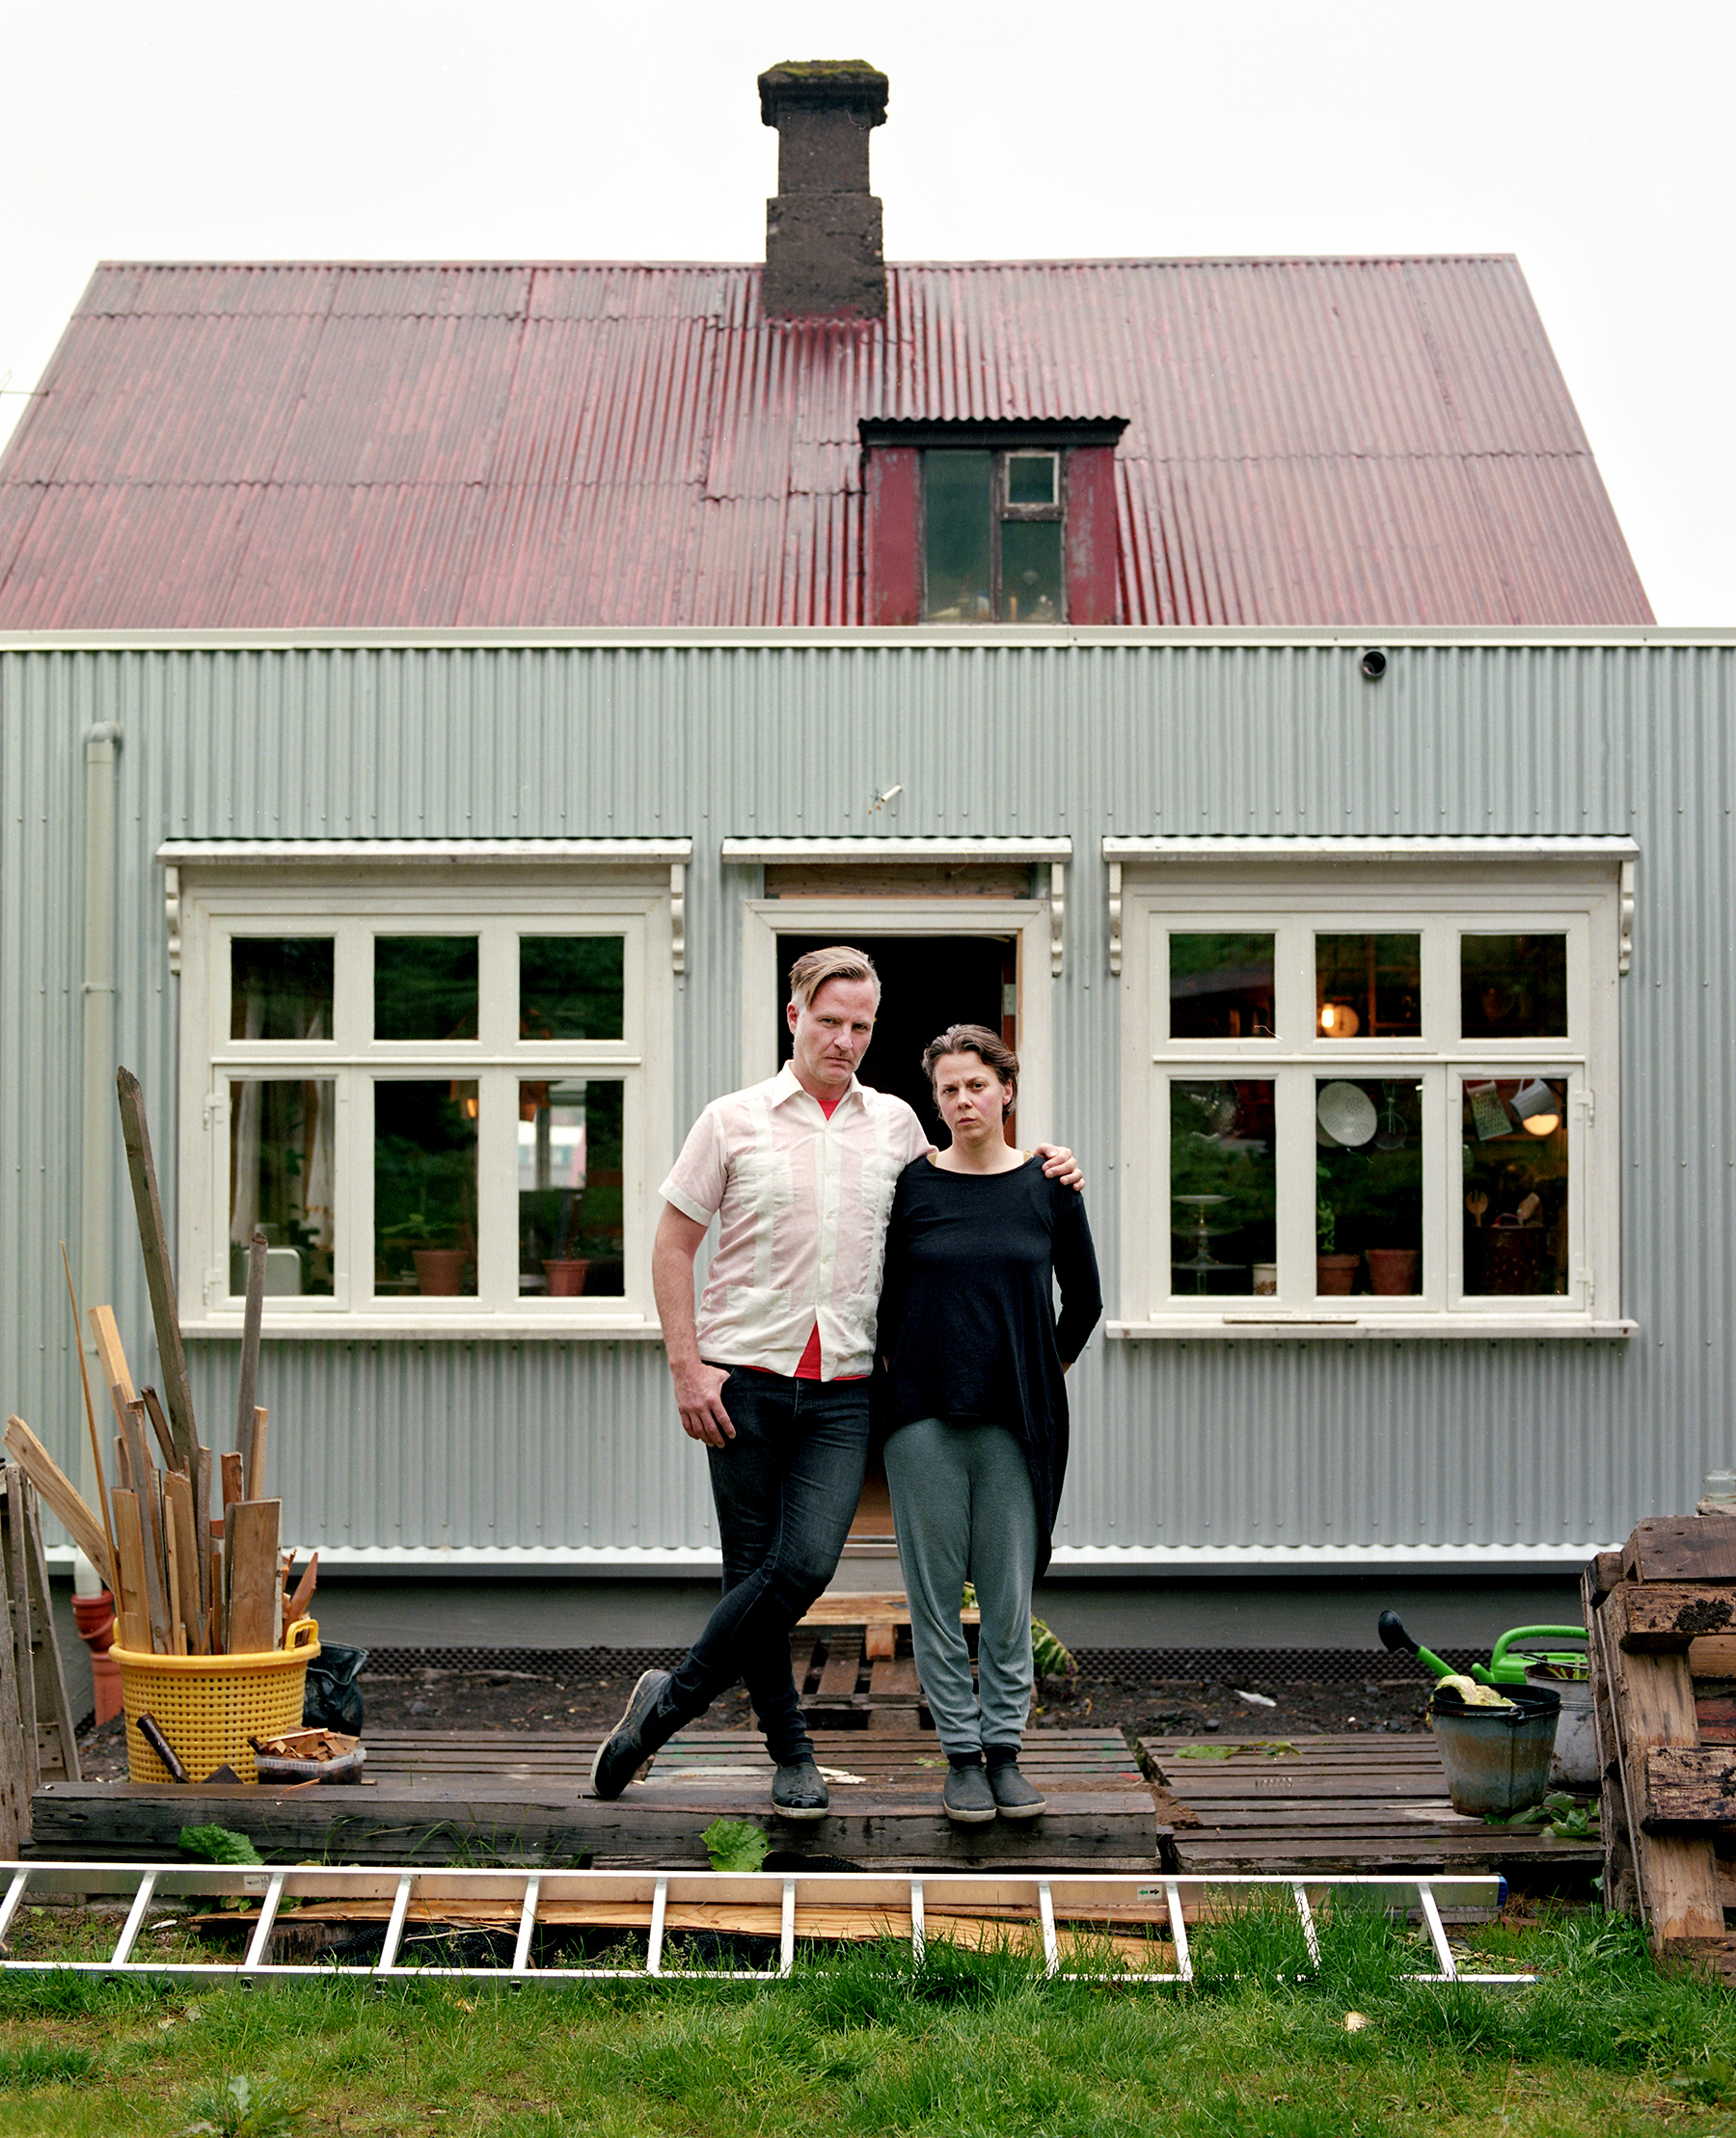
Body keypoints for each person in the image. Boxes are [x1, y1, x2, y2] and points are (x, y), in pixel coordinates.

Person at [589, 949, 1082, 1816]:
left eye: (860, 1026)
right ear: (794, 1016)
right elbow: (671, 1244)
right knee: (752, 1569)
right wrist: (685, 1364)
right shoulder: (730, 1120)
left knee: (804, 1565)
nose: (845, 1039)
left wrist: (1049, 1165)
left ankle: (663, 1706)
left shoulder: (895, 1126)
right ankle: (793, 1753)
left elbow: (969, 1186)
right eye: (830, 1021)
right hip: (739, 1380)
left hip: (846, 1386)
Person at [876, 1023, 1101, 1824]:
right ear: (934, 1102)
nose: (963, 1099)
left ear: (1006, 1088)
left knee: (1006, 1593)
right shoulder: (912, 1186)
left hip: (1016, 1418)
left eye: (976, 1084)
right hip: (921, 1420)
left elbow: (1086, 1299)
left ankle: (1005, 1750)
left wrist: (1045, 1371)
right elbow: (883, 1299)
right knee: (935, 1595)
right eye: (947, 1089)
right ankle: (961, 1758)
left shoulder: (1048, 1184)